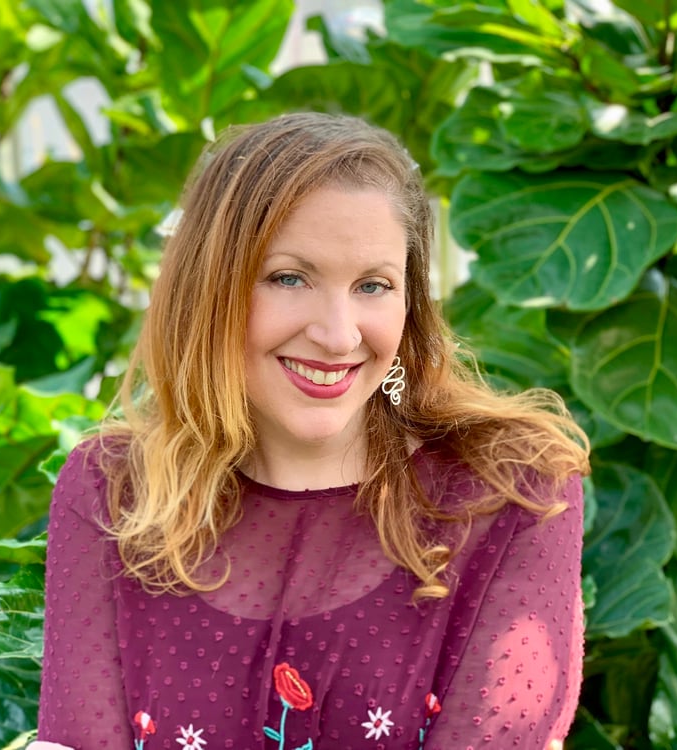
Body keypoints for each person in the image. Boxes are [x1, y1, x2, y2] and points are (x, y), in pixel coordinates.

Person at [34, 112, 590, 750]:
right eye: (289, 278)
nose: (339, 334)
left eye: (373, 286)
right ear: (207, 287)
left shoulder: (512, 491)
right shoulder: (111, 488)